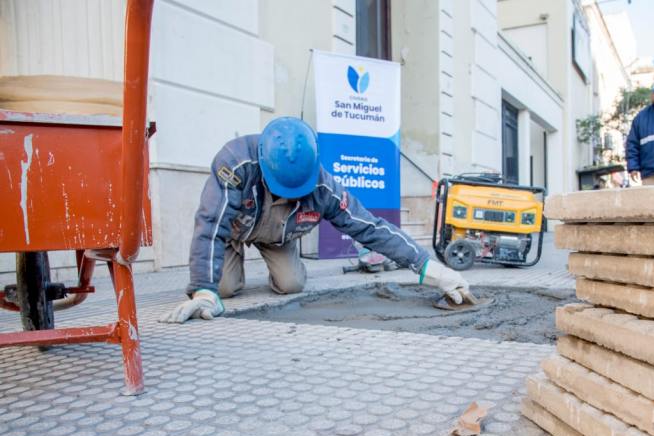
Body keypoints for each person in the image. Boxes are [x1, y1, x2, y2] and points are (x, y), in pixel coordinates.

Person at [159, 117, 472, 323]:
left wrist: (429, 268)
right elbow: (211, 225)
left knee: (291, 284)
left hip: (279, 234)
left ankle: (282, 260)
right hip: (236, 229)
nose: (294, 195)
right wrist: (203, 290)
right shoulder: (236, 163)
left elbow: (370, 227)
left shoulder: (324, 188)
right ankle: (231, 263)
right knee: (223, 289)